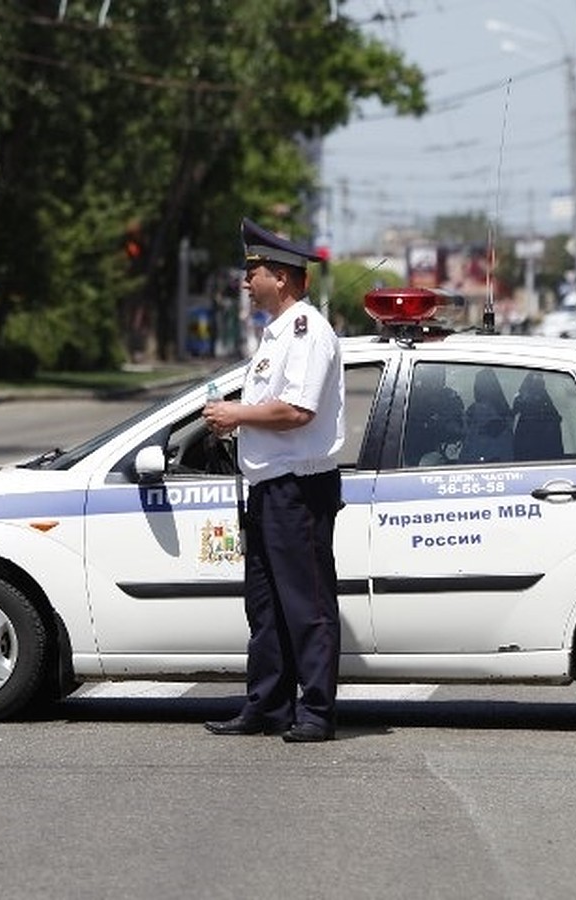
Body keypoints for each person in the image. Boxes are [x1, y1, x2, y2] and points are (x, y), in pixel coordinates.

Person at [201, 218, 345, 743]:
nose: (246, 281)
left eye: (253, 271)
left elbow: (298, 411)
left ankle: (317, 712)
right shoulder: (277, 334)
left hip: (298, 490)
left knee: (306, 604)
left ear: (281, 278)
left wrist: (237, 414)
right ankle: (267, 705)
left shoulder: (308, 332)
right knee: (265, 607)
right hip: (268, 488)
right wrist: (233, 424)